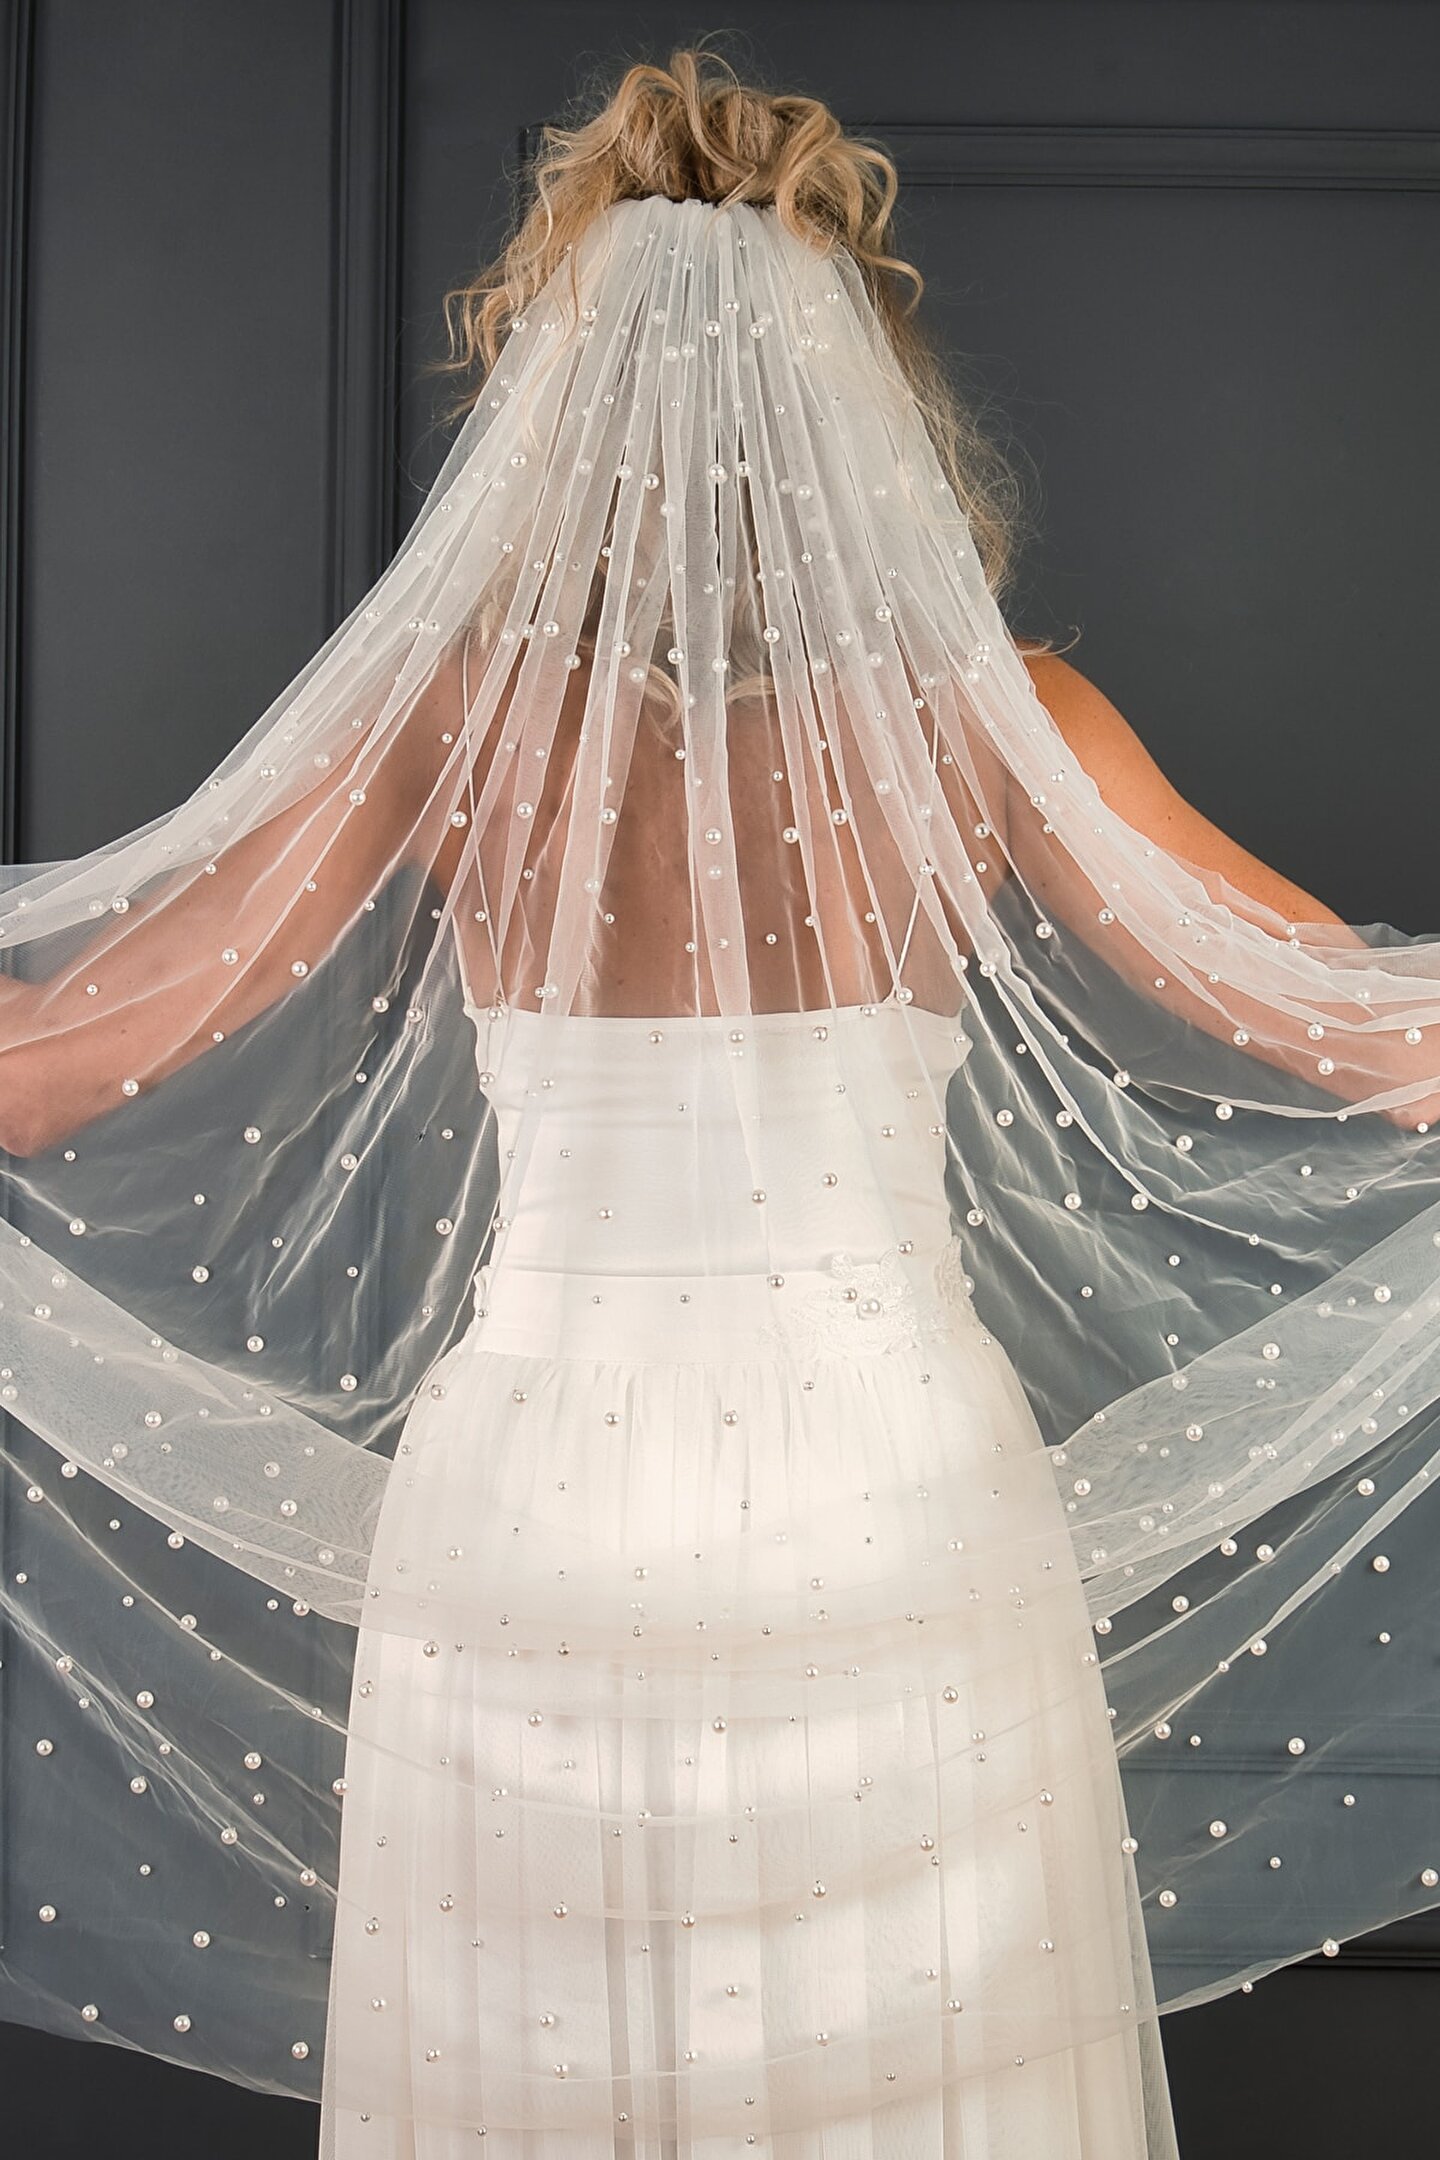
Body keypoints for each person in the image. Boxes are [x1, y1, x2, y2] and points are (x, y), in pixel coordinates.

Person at [1, 46, 1437, 2159]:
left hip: (534, 1509)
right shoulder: (997, 724)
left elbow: (59, 1068)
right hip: (893, 1496)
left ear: (546, 413)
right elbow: (1377, 1039)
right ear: (867, 407)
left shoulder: (453, 728)